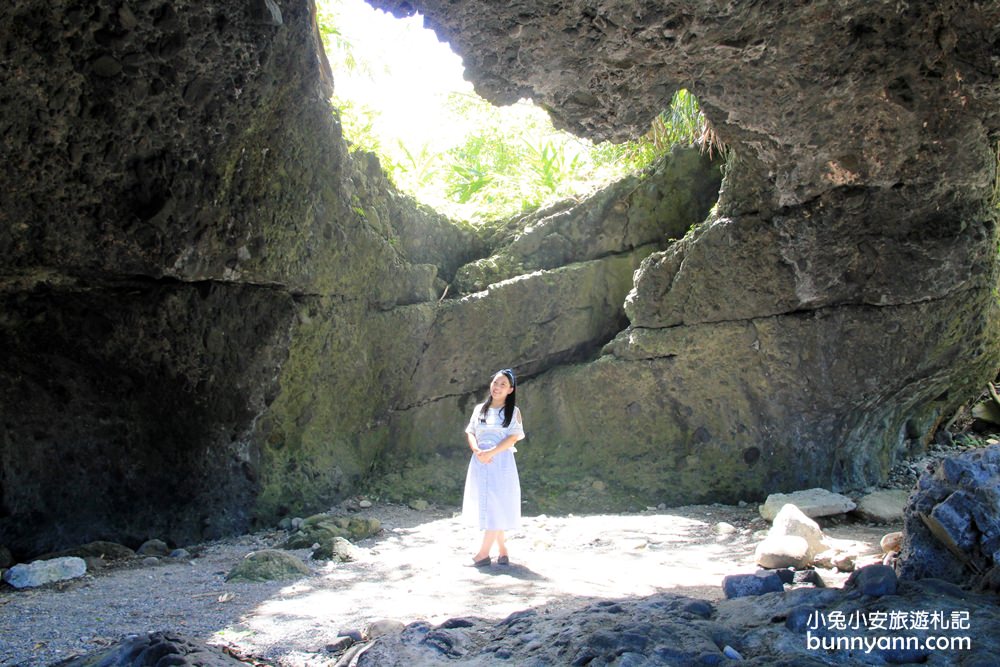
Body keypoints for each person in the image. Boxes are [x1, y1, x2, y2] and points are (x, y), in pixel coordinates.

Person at [462, 368, 525, 567]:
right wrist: (476, 450)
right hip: (480, 462)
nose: (497, 388)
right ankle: (503, 550)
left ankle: (482, 555)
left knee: (495, 505)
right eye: (496, 383)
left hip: (500, 463)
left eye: (503, 385)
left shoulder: (513, 412)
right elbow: (471, 431)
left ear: (510, 390)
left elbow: (513, 437)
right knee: (490, 505)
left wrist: (491, 453)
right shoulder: (480, 409)